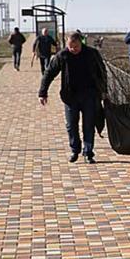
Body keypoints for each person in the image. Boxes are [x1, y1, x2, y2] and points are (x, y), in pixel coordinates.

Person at [39, 31, 108, 164]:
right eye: (70, 46)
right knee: (71, 126)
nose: (73, 49)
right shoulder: (62, 55)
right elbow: (49, 73)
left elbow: (102, 72)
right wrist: (43, 92)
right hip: (70, 97)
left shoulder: (92, 54)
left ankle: (88, 152)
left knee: (88, 125)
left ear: (80, 43)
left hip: (89, 95)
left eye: (75, 46)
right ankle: (75, 149)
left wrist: (104, 91)